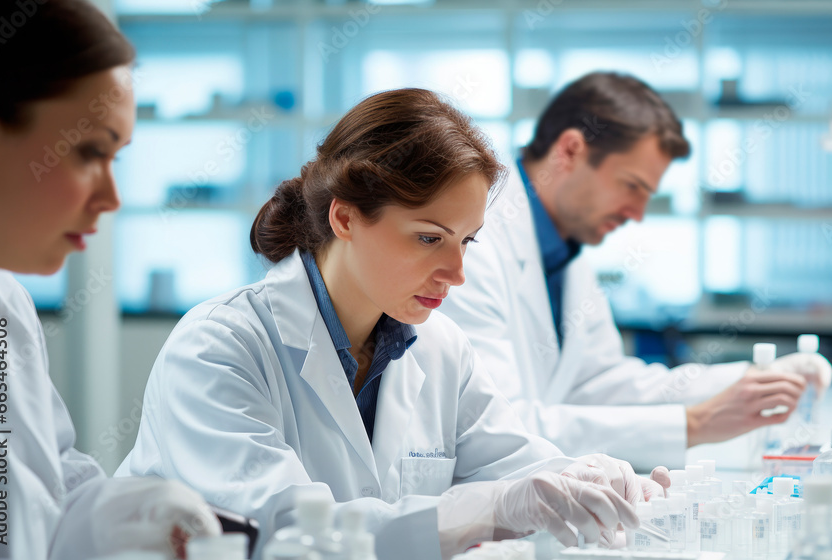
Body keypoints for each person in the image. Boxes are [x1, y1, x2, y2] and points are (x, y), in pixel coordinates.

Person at [117, 88, 669, 559]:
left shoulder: (439, 349)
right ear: (345, 217)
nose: (456, 273)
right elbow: (289, 532)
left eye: (466, 241)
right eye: (430, 237)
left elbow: (516, 464)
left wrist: (595, 480)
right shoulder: (220, 347)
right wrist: (490, 510)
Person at [441, 72, 832, 471]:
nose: (637, 214)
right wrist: (694, 424)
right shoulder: (476, 236)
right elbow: (498, 427)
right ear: (571, 151)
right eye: (631, 186)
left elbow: (602, 384)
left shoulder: (565, 252)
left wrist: (751, 381)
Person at [0, 2, 221, 559]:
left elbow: (40, 496)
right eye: (91, 151)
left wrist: (138, 513)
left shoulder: (3, 306)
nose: (113, 198)